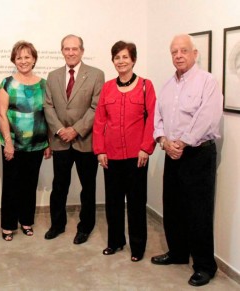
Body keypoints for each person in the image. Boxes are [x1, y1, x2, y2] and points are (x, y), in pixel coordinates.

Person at [151, 34, 223, 287]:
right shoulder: (168, 85)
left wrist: (181, 142)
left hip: (198, 154)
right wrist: (162, 141)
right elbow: (158, 118)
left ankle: (205, 265)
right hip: (171, 152)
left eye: (183, 51)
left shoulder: (208, 82)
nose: (178, 55)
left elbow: (208, 118)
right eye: (174, 52)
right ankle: (178, 253)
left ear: (195, 54)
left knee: (198, 211)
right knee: (172, 207)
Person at [93, 41, 156, 262]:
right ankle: (115, 241)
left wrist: (146, 148)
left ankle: (137, 247)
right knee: (113, 202)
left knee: (137, 203)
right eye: (117, 57)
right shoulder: (108, 87)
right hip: (111, 155)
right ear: (113, 61)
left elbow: (152, 121)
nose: (121, 61)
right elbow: (100, 121)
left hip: (136, 156)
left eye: (125, 57)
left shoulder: (146, 86)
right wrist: (99, 150)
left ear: (133, 60)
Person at [44, 34, 105, 244]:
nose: (71, 52)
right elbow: (48, 106)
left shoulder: (96, 75)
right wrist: (61, 130)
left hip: (84, 140)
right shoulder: (52, 76)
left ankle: (85, 227)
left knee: (87, 187)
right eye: (67, 49)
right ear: (62, 51)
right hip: (60, 140)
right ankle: (57, 224)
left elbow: (96, 108)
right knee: (59, 185)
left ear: (82, 51)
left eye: (75, 49)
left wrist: (76, 129)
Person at [0, 41, 51, 241]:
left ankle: (26, 221)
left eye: (27, 57)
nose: (23, 61)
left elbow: (47, 115)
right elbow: (2, 115)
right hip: (13, 145)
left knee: (30, 185)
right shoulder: (7, 83)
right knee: (11, 185)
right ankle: (8, 225)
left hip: (37, 145)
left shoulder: (44, 84)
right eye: (19, 57)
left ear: (34, 59)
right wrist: (9, 144)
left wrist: (48, 143)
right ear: (14, 60)